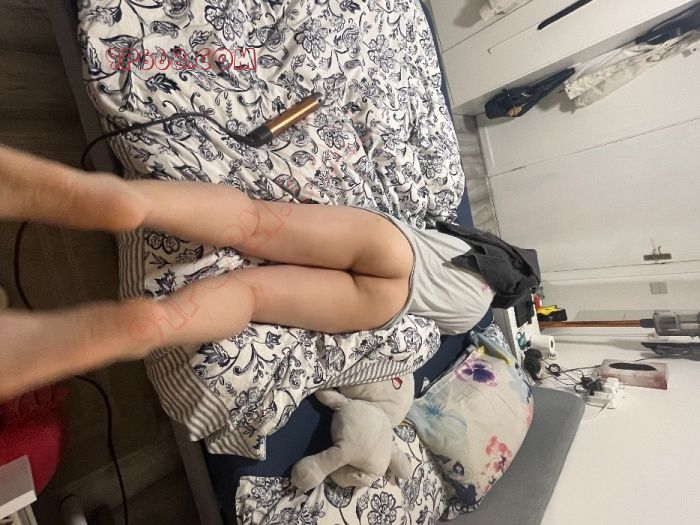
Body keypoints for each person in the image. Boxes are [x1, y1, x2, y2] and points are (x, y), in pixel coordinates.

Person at [0, 144, 494, 401]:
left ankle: (132, 202)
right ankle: (160, 323)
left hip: (396, 248)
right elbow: (428, 333)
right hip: (385, 305)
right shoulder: (471, 318)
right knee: (251, 294)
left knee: (253, 222)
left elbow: (431, 224)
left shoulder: (475, 250)